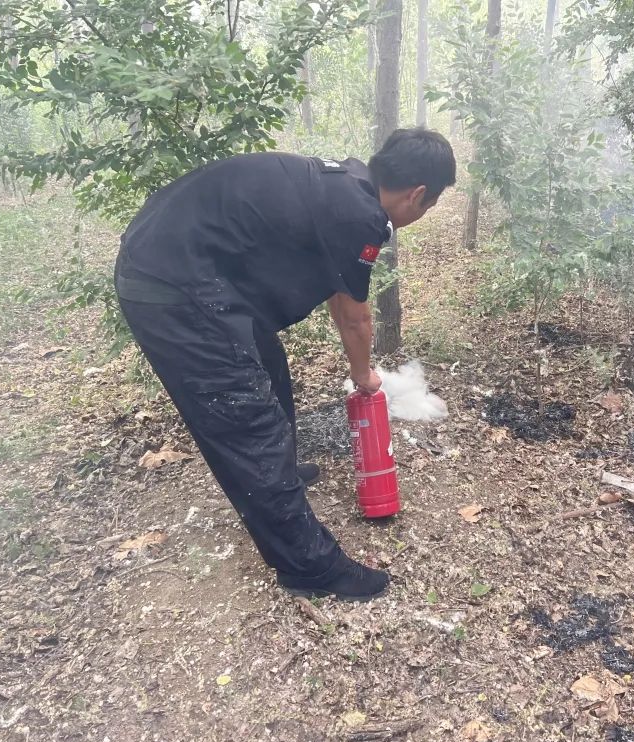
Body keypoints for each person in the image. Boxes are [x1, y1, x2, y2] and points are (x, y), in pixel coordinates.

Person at [114, 128, 456, 602]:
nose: (422, 215)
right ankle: (309, 567)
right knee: (247, 418)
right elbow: (353, 314)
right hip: (172, 288)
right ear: (417, 194)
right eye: (429, 206)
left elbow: (341, 292)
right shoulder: (360, 212)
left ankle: (283, 472)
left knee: (267, 365)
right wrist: (364, 376)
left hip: (189, 269)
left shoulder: (346, 186)